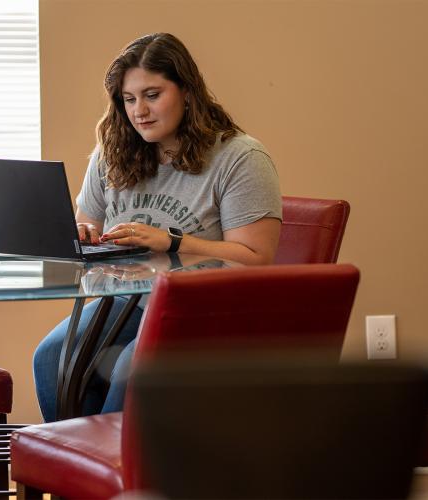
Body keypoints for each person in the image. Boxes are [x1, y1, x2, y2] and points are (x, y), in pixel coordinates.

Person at [33, 32, 282, 422]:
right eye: (129, 99)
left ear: (186, 91)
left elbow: (256, 260)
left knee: (130, 369)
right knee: (51, 358)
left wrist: (172, 241)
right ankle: (84, 475)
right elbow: (87, 222)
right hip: (126, 301)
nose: (139, 111)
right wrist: (81, 235)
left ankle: (126, 474)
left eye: (152, 94)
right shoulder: (111, 154)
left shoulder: (240, 158)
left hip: (203, 309)